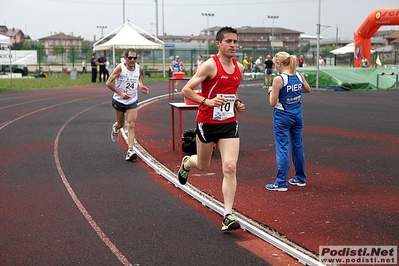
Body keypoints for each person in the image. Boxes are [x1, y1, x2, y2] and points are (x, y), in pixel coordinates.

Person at [177, 26, 245, 231]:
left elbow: (232, 92)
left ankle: (228, 215)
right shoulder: (209, 66)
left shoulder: (239, 68)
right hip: (207, 123)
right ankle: (187, 164)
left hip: (229, 123)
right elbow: (186, 90)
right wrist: (206, 101)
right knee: (203, 165)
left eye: (235, 41)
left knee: (230, 167)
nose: (233, 45)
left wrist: (238, 103)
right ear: (218, 44)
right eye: (229, 42)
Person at [265, 51, 311, 192]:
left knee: (283, 147)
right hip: (297, 114)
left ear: (279, 63)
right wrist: (294, 92)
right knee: (298, 146)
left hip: (283, 115)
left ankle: (281, 182)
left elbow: (273, 102)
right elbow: (308, 90)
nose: (275, 67)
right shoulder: (299, 75)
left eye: (275, 64)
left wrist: (271, 91)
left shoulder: (279, 79)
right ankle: (300, 177)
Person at [106, 48, 150, 161]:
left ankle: (130, 150)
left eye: (134, 58)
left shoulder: (138, 68)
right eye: (130, 57)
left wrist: (140, 86)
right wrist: (121, 93)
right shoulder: (120, 68)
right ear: (125, 58)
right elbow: (108, 83)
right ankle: (115, 127)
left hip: (132, 101)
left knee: (131, 124)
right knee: (121, 124)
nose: (132, 60)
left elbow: (138, 78)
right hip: (119, 101)